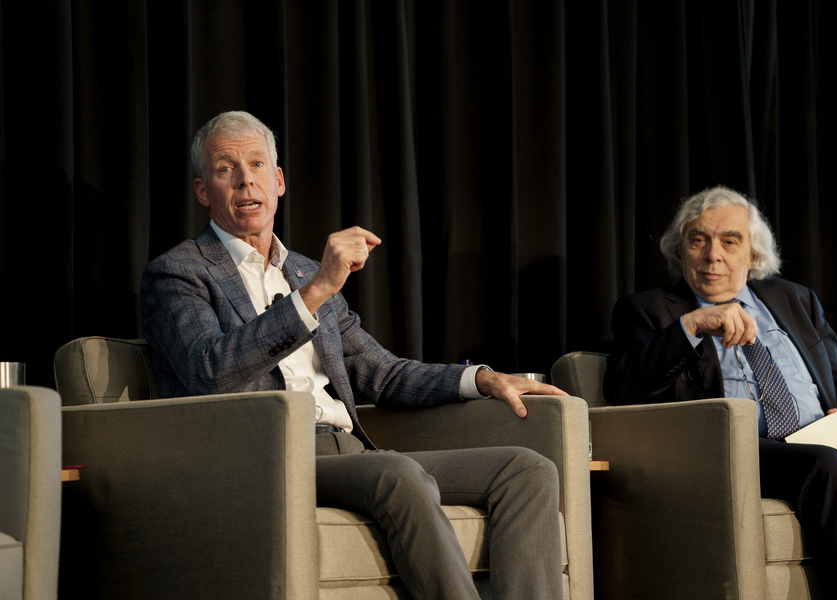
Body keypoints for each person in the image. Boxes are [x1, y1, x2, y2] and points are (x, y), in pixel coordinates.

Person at [140, 110, 566, 599]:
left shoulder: (302, 272)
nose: (244, 180)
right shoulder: (179, 273)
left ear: (278, 182)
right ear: (202, 191)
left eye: (257, 165)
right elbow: (209, 371)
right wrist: (317, 291)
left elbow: (383, 375)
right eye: (225, 168)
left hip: (352, 453)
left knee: (528, 469)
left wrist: (484, 379)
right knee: (398, 472)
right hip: (270, 458)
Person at [604, 186, 837, 600]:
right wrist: (689, 326)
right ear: (681, 249)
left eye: (730, 241)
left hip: (825, 440)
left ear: (754, 255)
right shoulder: (650, 310)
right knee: (826, 466)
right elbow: (624, 386)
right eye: (698, 240)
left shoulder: (795, 300)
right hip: (738, 450)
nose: (713, 256)